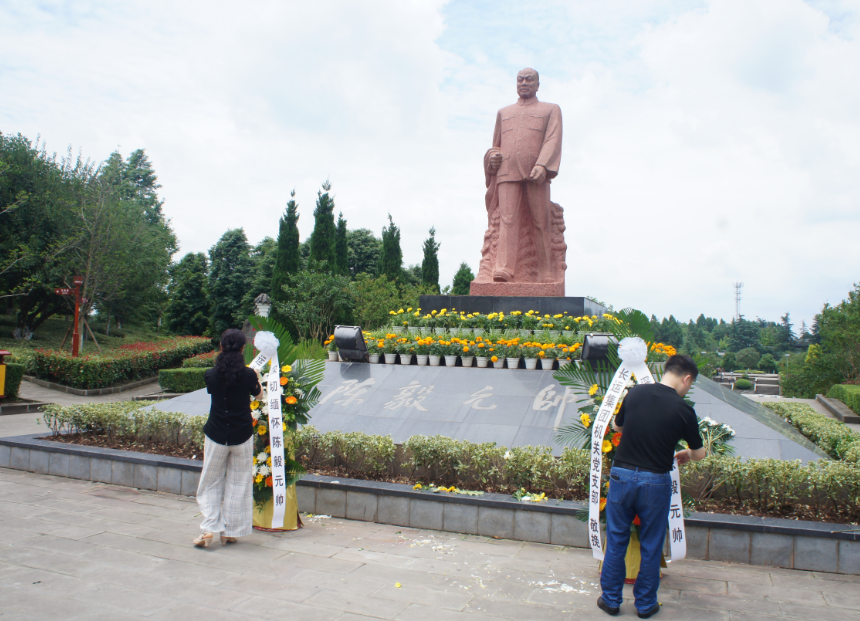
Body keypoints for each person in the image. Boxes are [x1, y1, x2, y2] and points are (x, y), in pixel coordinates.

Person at [597, 355, 705, 618]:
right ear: (686, 378)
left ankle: (611, 600)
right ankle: (645, 605)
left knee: (616, 539)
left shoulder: (635, 393)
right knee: (651, 542)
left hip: (622, 476)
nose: (687, 388)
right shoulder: (683, 410)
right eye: (689, 384)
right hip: (655, 481)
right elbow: (699, 453)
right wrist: (684, 455)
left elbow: (617, 425)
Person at [485, 67, 562, 283]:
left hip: (536, 172)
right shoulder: (504, 112)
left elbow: (553, 139)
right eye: (520, 79)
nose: (524, 83)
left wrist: (543, 165)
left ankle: (547, 270)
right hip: (507, 172)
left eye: (529, 79)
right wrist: (492, 158)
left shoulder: (550, 109)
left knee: (541, 221)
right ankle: (504, 268)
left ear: (538, 84)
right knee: (507, 220)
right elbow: (495, 146)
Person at [193, 329, 263, 548]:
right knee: (238, 483)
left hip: (216, 434)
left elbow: (214, 390)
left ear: (221, 347)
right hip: (242, 435)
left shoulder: (210, 374)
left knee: (210, 482)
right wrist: (257, 375)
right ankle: (230, 532)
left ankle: (209, 529)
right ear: (243, 349)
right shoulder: (249, 375)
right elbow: (258, 395)